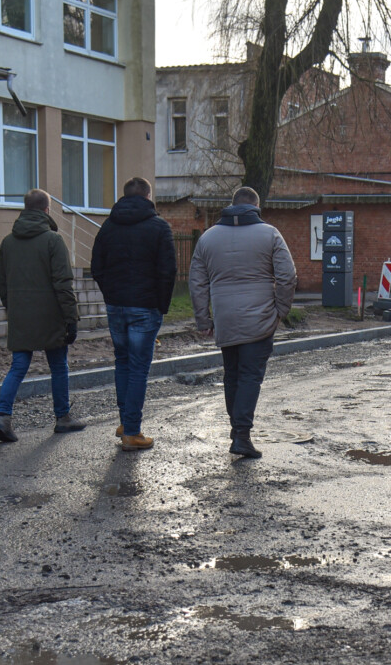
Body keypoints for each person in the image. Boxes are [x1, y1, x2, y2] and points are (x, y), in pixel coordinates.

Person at [189, 186, 296, 459]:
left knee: (232, 375)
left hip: (225, 319)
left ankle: (236, 430)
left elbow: (197, 283)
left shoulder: (207, 238)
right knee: (250, 376)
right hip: (260, 318)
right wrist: (280, 310)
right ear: (256, 207)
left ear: (231, 205)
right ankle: (242, 435)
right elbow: (287, 275)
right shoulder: (270, 234)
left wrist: (204, 318)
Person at [0, 190, 85, 441]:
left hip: (21, 315)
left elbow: (2, 284)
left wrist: (14, 309)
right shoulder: (53, 240)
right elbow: (63, 283)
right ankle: (62, 417)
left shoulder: (8, 242)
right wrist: (71, 317)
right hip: (51, 316)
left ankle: (3, 416)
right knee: (58, 366)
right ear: (46, 210)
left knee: (18, 366)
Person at [90, 176, 176, 451]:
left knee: (123, 363)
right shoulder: (159, 228)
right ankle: (132, 431)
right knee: (138, 368)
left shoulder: (108, 227)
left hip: (117, 305)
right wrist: (161, 305)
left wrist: (111, 295)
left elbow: (97, 267)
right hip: (145, 306)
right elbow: (168, 271)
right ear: (148, 197)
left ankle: (125, 422)